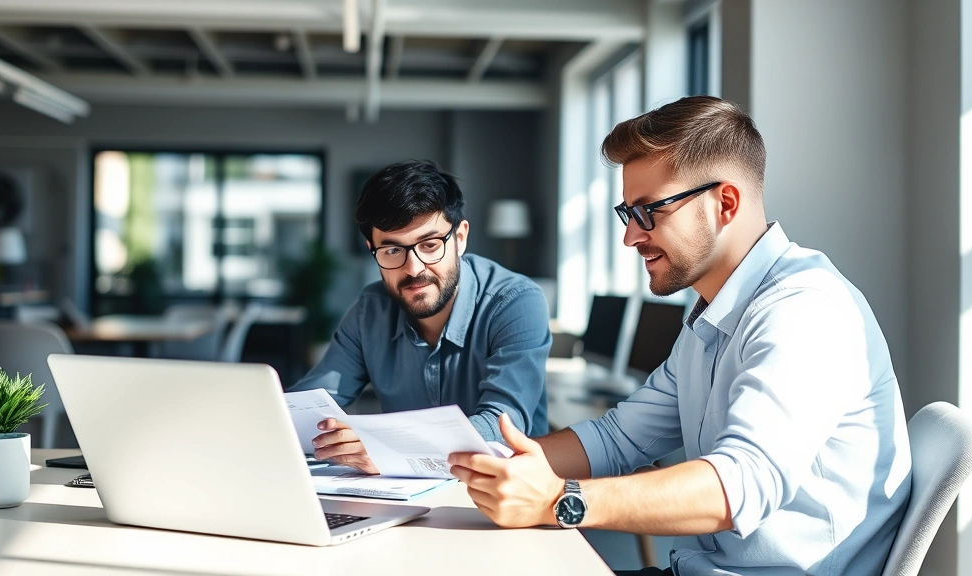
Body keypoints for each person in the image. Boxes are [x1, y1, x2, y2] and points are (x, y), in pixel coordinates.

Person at [448, 96, 911, 576]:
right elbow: (616, 438)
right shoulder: (713, 316)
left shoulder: (803, 311)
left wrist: (558, 501)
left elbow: (738, 485)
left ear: (725, 203)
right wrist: (474, 466)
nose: (631, 237)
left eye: (650, 211)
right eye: (628, 213)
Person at [289, 159, 552, 475]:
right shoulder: (370, 310)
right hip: (405, 497)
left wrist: (389, 448)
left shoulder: (516, 302)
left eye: (430, 245)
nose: (413, 269)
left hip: (503, 495)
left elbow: (501, 428)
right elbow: (306, 408)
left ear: (460, 238)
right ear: (372, 248)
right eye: (392, 251)